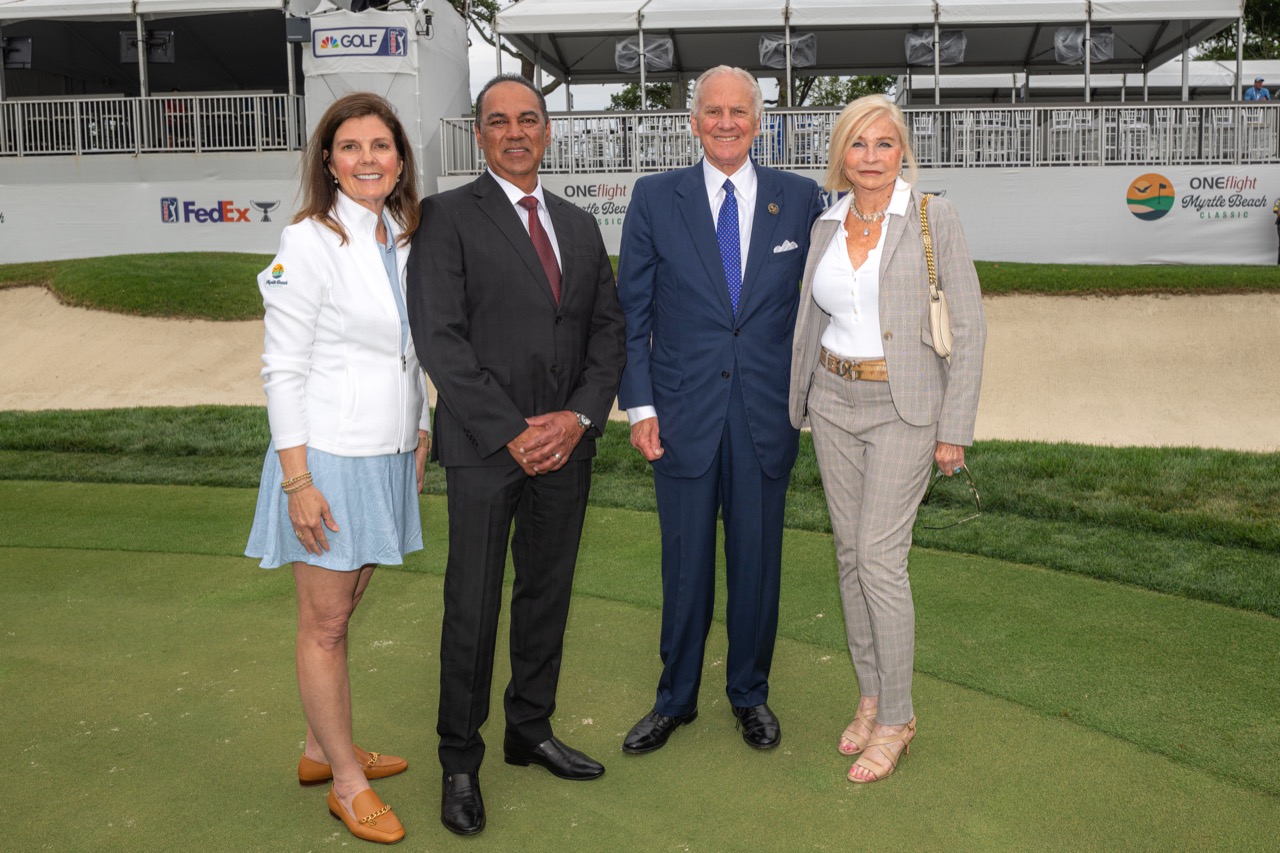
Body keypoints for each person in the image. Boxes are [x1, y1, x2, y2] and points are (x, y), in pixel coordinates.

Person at [406, 74, 626, 836]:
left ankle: (529, 728)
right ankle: (459, 759)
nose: (515, 133)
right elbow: (440, 338)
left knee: (546, 593)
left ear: (547, 131)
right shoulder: (444, 217)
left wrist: (578, 418)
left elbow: (607, 332)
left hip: (565, 448)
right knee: (472, 604)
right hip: (483, 447)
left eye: (528, 119)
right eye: (498, 122)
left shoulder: (578, 223)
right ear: (479, 135)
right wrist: (512, 429)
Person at [615, 66, 823, 755]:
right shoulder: (654, 198)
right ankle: (675, 699)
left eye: (739, 111)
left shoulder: (801, 199)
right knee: (685, 568)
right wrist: (639, 406)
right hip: (680, 415)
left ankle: (749, 693)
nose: (726, 122)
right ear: (694, 122)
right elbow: (632, 312)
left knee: (757, 566)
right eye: (713, 111)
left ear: (759, 121)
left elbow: (822, 303)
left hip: (766, 415)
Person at [244, 92, 429, 843]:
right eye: (350, 147)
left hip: (387, 453)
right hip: (326, 458)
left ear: (400, 160)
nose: (367, 159)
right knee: (325, 623)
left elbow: (411, 349)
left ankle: (324, 748)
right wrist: (298, 482)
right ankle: (346, 784)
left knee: (342, 610)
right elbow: (281, 370)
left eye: (380, 145)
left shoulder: (402, 236)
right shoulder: (308, 241)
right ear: (328, 161)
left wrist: (420, 428)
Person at [788, 95, 986, 784]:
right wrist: (800, 399)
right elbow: (811, 319)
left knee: (878, 557)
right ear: (840, 155)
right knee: (849, 556)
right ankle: (871, 695)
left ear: (902, 151)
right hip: (833, 401)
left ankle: (899, 717)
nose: (871, 157)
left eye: (884, 143)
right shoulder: (826, 223)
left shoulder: (932, 216)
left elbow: (970, 325)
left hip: (906, 407)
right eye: (858, 144)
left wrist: (954, 428)